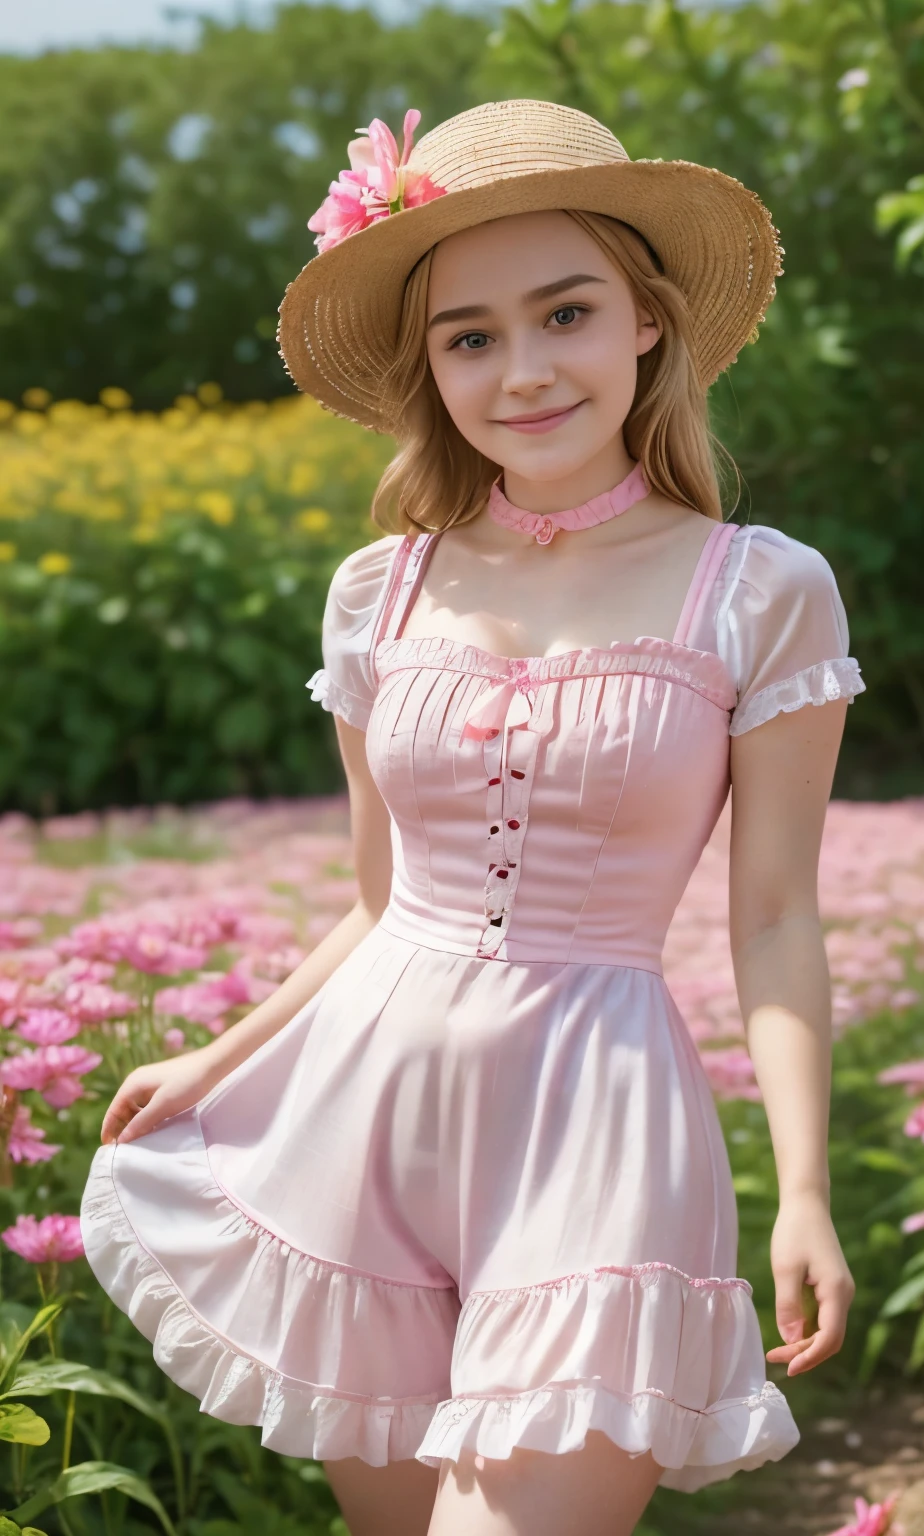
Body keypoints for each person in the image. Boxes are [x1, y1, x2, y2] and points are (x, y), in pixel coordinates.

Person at [80, 99, 865, 1536]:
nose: (522, 371)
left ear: (646, 319)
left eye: (564, 313)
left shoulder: (758, 588)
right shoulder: (376, 591)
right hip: (360, 1123)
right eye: (470, 337)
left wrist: (802, 1188)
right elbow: (381, 900)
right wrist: (219, 1053)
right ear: (431, 368)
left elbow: (773, 914)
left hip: (596, 1129)